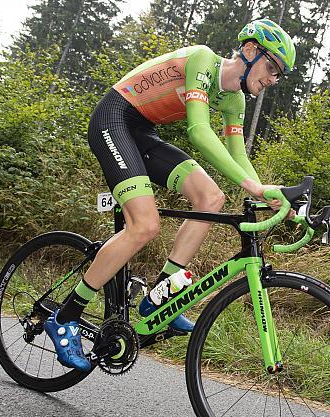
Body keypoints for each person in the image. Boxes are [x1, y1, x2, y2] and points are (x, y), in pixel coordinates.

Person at [43, 19, 297, 371]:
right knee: (145, 226)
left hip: (142, 132)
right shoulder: (203, 60)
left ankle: (160, 297)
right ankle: (64, 316)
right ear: (250, 51)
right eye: (271, 67)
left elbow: (239, 156)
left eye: (278, 75)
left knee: (211, 198)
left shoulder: (235, 99)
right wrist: (253, 186)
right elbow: (197, 129)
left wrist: (267, 194)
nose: (271, 79)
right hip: (113, 119)